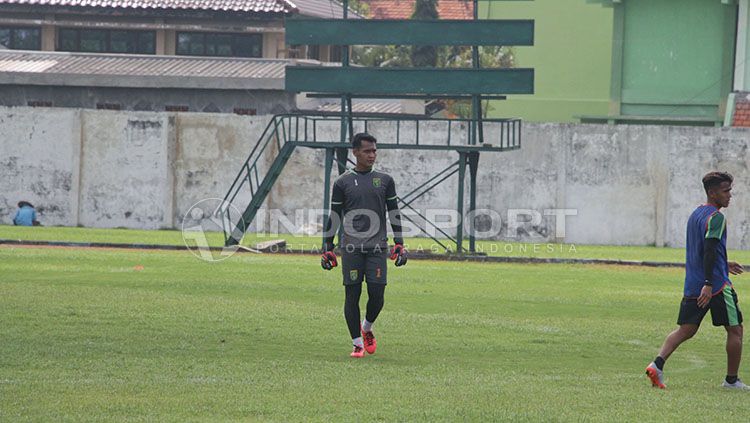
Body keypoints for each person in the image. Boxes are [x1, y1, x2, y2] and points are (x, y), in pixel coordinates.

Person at [646, 171, 746, 389]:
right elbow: (709, 250)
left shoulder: (696, 214)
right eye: (726, 191)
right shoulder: (717, 218)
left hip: (693, 283)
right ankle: (731, 380)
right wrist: (710, 283)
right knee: (736, 330)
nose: (730, 195)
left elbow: (704, 250)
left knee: (686, 329)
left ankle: (657, 365)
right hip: (716, 286)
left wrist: (724, 262)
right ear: (712, 193)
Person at [320, 132, 408, 358]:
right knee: (352, 295)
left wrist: (400, 243)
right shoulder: (342, 183)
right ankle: (357, 343)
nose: (372, 155)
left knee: (377, 294)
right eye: (367, 151)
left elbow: (393, 212)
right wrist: (327, 247)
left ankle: (366, 327)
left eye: (374, 151)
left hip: (378, 246)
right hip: (351, 248)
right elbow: (335, 215)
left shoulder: (385, 180)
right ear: (355, 152)